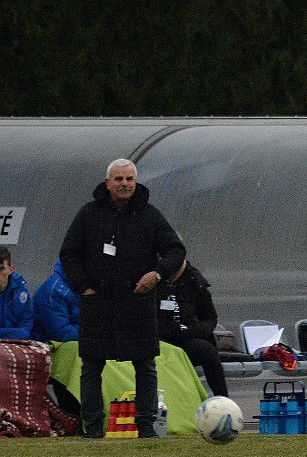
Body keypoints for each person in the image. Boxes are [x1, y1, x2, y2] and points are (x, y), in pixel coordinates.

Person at [59, 158, 186, 439]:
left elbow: (176, 250)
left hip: (137, 303)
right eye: (119, 179)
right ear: (107, 183)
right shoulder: (88, 214)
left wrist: (157, 274)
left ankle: (147, 428)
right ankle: (92, 429)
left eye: (129, 179)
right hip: (97, 303)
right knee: (91, 367)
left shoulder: (150, 216)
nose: (125, 184)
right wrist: (83, 287)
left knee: (145, 365)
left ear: (136, 182)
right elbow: (69, 253)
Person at [156, 259, 228, 397]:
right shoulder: (151, 279)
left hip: (187, 337)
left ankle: (223, 399)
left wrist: (197, 331)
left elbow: (209, 318)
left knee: (207, 351)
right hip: (160, 339)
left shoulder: (195, 281)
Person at [31, 258, 83, 416]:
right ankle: (73, 414)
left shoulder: (83, 286)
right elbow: (61, 333)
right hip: (47, 348)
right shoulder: (54, 289)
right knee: (75, 350)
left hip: (73, 345)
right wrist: (91, 331)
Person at [0, 246, 34, 340]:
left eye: (1, 269)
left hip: (17, 343)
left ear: (10, 269)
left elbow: (26, 330)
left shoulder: (20, 290)